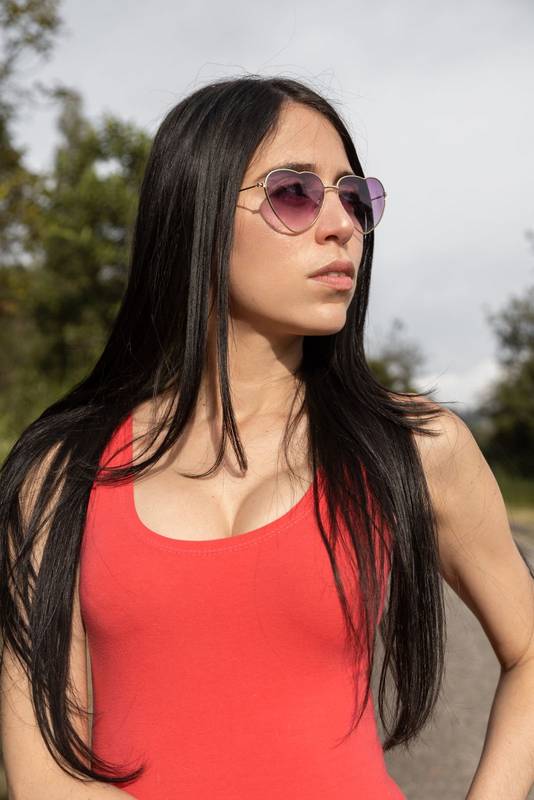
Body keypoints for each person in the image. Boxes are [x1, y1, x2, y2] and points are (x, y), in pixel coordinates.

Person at [1, 74, 533, 800]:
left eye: (355, 197)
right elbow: (42, 780)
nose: (342, 224)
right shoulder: (58, 475)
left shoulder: (414, 446)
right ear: (199, 212)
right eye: (295, 193)